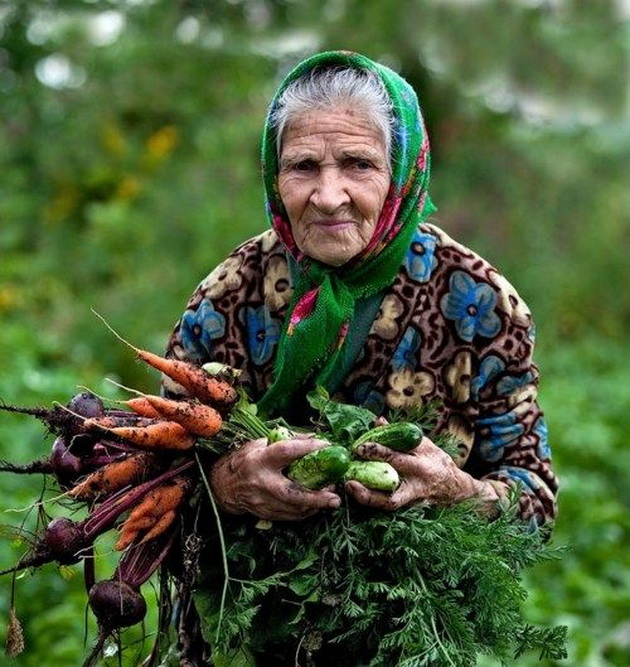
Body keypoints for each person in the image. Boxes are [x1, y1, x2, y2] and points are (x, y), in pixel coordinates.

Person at [162, 49, 558, 662]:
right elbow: (156, 473)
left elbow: (533, 503)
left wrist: (452, 489)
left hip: (413, 638)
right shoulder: (230, 294)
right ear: (274, 175)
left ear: (401, 171)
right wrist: (226, 484)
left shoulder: (478, 302)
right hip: (247, 635)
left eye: (358, 164)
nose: (328, 196)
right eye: (303, 166)